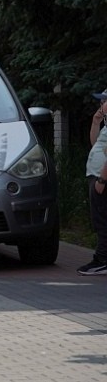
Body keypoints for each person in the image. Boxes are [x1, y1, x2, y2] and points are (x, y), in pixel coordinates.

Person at [80, 90, 107, 275]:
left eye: (104, 101)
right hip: (98, 176)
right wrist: (96, 122)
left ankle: (102, 260)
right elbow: (96, 144)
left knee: (102, 221)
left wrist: (102, 180)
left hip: (102, 179)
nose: (101, 104)